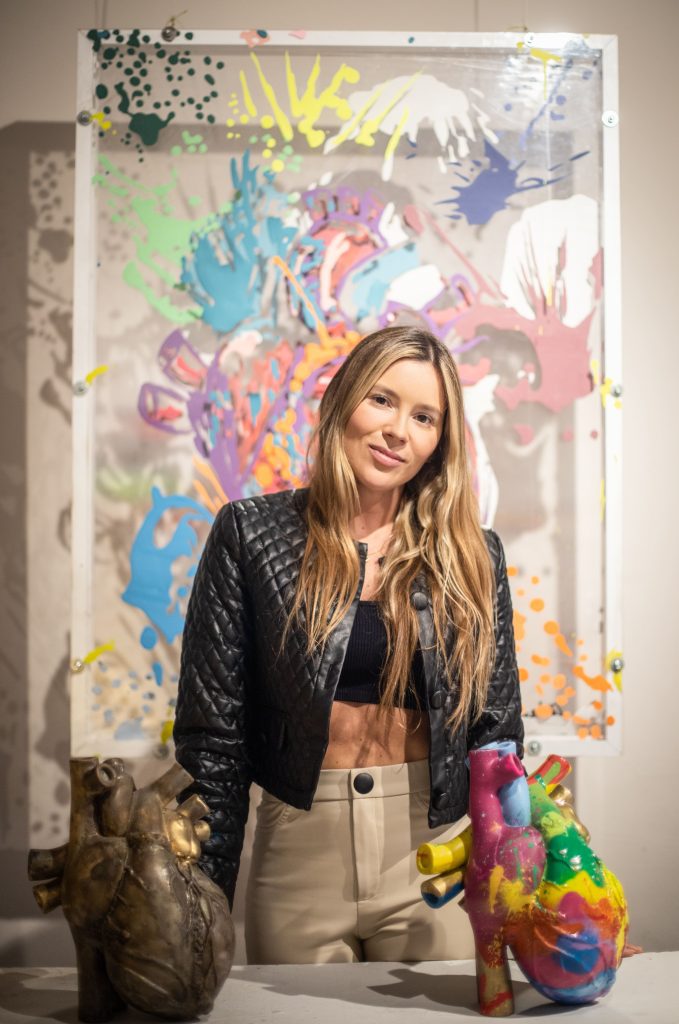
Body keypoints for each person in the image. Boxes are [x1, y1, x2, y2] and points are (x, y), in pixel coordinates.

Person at [173, 324, 523, 964]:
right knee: (288, 1011)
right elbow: (213, 742)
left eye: (424, 417)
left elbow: (497, 738)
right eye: (382, 400)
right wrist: (198, 906)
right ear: (344, 400)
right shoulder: (250, 535)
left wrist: (537, 894)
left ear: (439, 442)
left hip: (432, 853)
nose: (398, 431)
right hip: (298, 855)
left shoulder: (475, 554)